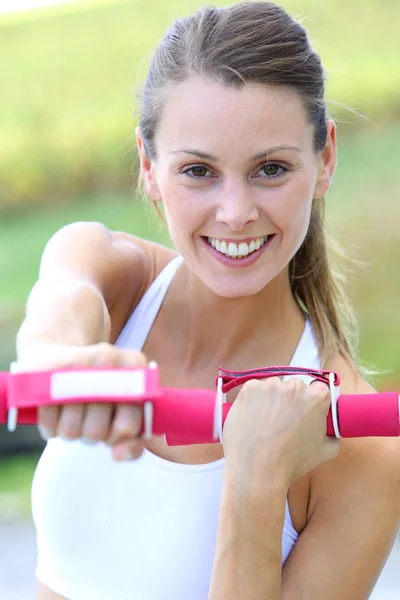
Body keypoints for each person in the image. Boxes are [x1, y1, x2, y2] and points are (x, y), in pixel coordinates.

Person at [16, 2, 399, 599]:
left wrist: (255, 482)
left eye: (270, 168)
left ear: (325, 158)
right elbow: (54, 324)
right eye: (198, 171)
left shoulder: (361, 452)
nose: (236, 212)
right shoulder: (112, 278)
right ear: (149, 166)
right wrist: (65, 365)